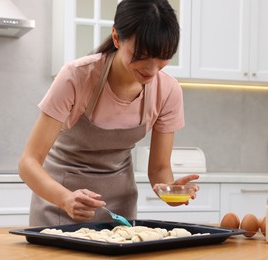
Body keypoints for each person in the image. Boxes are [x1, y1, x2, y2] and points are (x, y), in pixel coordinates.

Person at [18, 0, 199, 227]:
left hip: (120, 213)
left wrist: (171, 191)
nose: (152, 70)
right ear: (116, 38)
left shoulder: (168, 91)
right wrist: (65, 199)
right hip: (60, 208)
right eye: (142, 55)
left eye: (163, 56)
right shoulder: (76, 76)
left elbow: (160, 169)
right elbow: (28, 162)